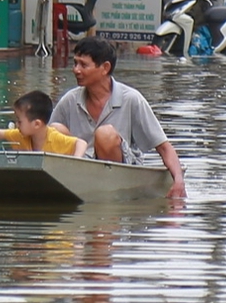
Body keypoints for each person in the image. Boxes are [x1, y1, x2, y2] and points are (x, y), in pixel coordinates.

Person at [50, 35, 185, 199]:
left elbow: (164, 147)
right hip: (80, 170)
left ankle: (108, 197)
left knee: (105, 134)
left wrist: (178, 181)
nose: (76, 70)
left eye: (83, 65)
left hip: (120, 171)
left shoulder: (131, 99)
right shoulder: (70, 100)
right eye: (75, 63)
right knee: (55, 130)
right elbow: (46, 139)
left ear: (105, 68)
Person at [0, 90, 89, 158]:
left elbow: (81, 143)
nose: (17, 124)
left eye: (19, 121)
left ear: (36, 124)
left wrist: (75, 162)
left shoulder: (55, 138)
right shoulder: (21, 136)